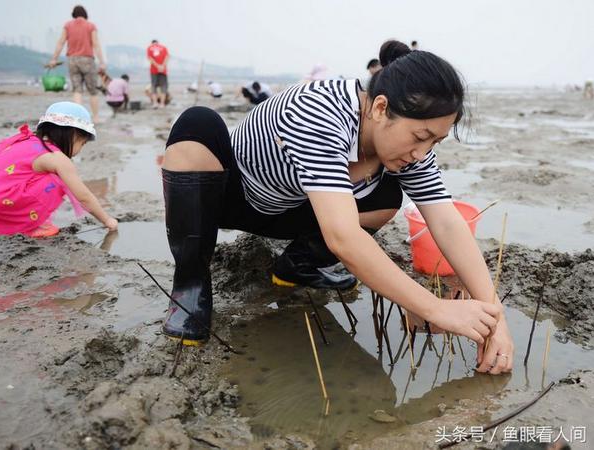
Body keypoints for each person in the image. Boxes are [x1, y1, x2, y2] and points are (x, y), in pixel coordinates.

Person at [160, 39, 513, 376]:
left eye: (435, 141)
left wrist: (496, 320)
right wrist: (433, 308)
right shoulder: (319, 111)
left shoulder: (410, 148)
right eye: (420, 138)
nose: (423, 152)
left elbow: (447, 221)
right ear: (379, 108)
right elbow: (343, 236)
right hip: (228, 198)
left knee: (386, 197)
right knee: (198, 124)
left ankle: (297, 265)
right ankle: (190, 286)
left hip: (295, 206)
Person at [0, 102, 118, 239]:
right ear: (73, 135)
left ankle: (15, 226)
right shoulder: (57, 158)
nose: (80, 150)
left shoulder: (26, 140)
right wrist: (107, 220)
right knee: (55, 180)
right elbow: (84, 197)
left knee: (38, 177)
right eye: (82, 144)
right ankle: (32, 228)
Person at [48, 5, 106, 122]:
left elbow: (61, 43)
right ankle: (95, 118)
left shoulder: (68, 25)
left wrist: (54, 59)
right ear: (85, 14)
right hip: (87, 60)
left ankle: (79, 118)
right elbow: (96, 44)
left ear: (74, 15)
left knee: (77, 90)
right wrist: (102, 62)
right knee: (93, 91)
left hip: (72, 60)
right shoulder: (90, 26)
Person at [147, 39, 170, 109]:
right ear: (158, 43)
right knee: (163, 87)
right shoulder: (163, 47)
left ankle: (155, 103)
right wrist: (162, 66)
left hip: (154, 70)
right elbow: (167, 57)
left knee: (153, 87)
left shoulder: (149, 48)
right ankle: (162, 104)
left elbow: (150, 58)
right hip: (163, 70)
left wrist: (157, 66)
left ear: (152, 43)